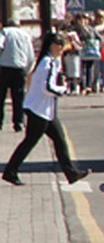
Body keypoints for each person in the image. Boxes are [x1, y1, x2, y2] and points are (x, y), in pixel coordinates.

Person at [3, 32, 89, 187]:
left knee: (60, 140)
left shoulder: (51, 61)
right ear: (52, 45)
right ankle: (10, 171)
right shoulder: (47, 63)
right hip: (39, 110)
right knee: (30, 142)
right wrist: (62, 89)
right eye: (60, 45)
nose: (62, 48)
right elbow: (46, 87)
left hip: (45, 110)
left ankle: (71, 173)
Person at [0, 17, 36, 132]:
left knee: (1, 96)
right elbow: (30, 55)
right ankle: (18, 122)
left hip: (4, 67)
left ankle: (0, 122)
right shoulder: (25, 35)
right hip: (19, 68)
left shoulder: (5, 32)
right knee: (18, 97)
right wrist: (27, 69)